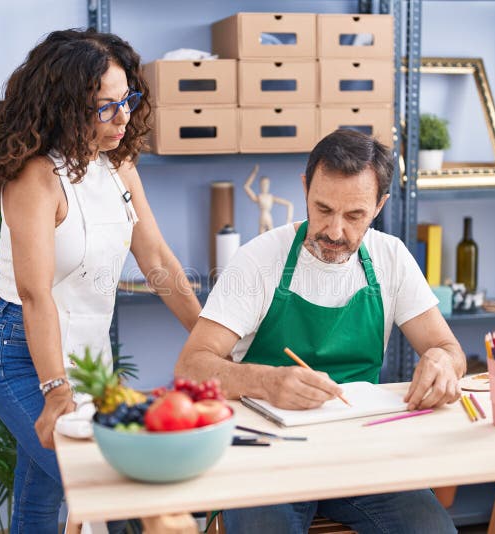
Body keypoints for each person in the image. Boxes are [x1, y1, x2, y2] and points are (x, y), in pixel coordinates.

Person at [175, 129, 466, 533]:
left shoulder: (391, 258)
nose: (334, 231)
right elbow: (191, 367)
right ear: (304, 188)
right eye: (323, 209)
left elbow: (448, 348)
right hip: (268, 455)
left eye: (354, 216)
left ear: (379, 205)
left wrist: (441, 360)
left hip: (360, 451)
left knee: (431, 528)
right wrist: (268, 381)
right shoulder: (259, 260)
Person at [0, 29, 201, 533]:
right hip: (21, 355)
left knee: (42, 492)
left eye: (127, 101)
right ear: (63, 108)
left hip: (88, 354)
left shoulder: (117, 164)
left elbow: (157, 259)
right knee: (106, 489)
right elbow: (35, 295)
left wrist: (210, 338)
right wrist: (57, 391)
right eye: (105, 107)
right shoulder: (34, 177)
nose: (123, 117)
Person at [243, 163, 293, 233]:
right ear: (260, 185)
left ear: (269, 185)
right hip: (262, 220)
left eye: (266, 184)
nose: (264, 186)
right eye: (263, 184)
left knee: (272, 238)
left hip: (268, 219)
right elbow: (246, 187)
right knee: (261, 240)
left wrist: (289, 220)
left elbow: (289, 204)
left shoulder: (271, 197)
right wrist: (254, 173)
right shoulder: (258, 197)